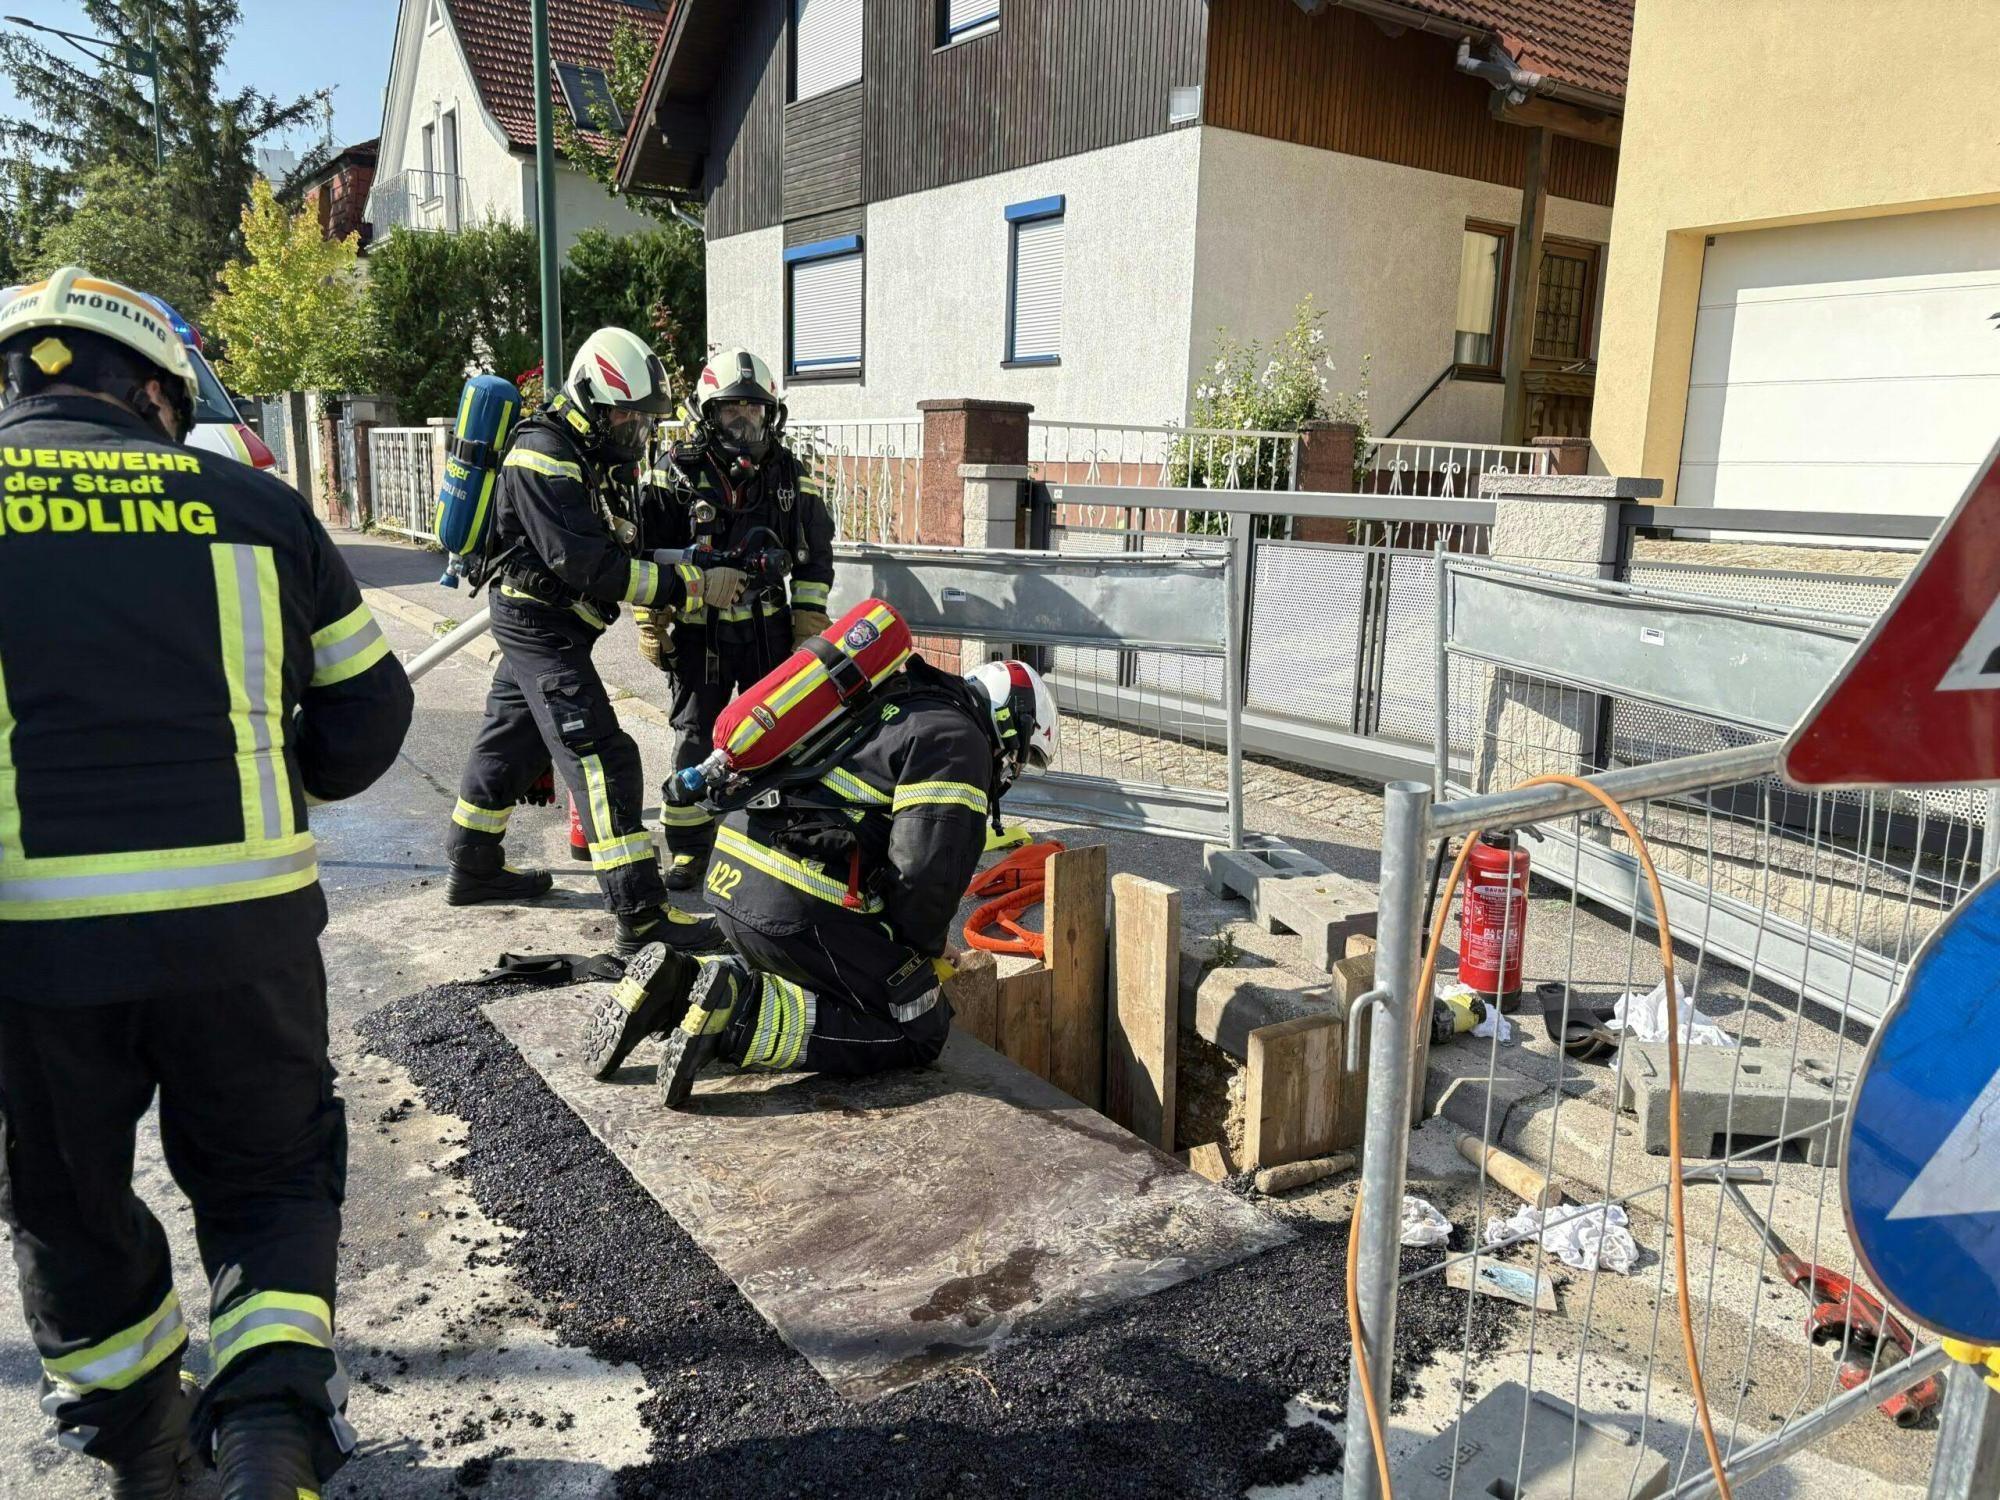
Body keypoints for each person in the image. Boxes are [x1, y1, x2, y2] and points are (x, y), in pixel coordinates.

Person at [0, 266, 415, 1497]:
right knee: (269, 1175)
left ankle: (142, 1451)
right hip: (244, 939)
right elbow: (370, 721)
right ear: (156, 392)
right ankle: (270, 1438)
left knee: (67, 1201)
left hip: (34, 954)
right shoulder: (256, 504)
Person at [582, 657, 1059, 1108]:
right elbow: (923, 876)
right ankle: (736, 1018)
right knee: (918, 1025)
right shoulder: (959, 741)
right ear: (1010, 721)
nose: (1016, 767)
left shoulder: (897, 702)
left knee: (839, 982)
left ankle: (675, 985)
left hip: (732, 879)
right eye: (1025, 755)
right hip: (792, 903)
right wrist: (925, 950)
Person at [443, 327, 726, 957]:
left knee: (508, 740)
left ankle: (473, 864)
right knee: (604, 757)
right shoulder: (543, 454)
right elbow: (587, 564)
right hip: (538, 622)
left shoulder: (594, 451)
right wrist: (689, 589)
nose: (636, 430)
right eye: (626, 415)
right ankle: (643, 916)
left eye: (642, 419)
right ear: (590, 398)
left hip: (553, 620)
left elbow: (626, 536)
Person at [635, 349, 835, 895]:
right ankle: (689, 847)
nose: (746, 423)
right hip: (699, 632)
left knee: (779, 732)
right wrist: (648, 617)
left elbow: (815, 559)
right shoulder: (674, 472)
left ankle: (775, 840)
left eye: (755, 411)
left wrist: (808, 621)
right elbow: (646, 551)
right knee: (696, 736)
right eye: (732, 412)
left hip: (770, 632)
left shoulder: (792, 478)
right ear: (707, 414)